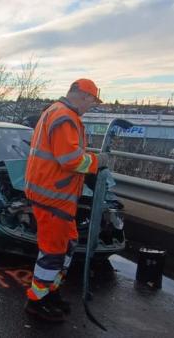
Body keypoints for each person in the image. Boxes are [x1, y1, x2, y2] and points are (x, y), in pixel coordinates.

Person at [23, 79, 108, 322]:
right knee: (53, 252)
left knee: (67, 244)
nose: (91, 106)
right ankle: (36, 302)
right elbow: (70, 160)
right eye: (92, 101)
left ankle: (51, 293)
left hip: (52, 195)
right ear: (83, 96)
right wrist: (97, 162)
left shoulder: (56, 111)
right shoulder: (65, 117)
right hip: (53, 197)